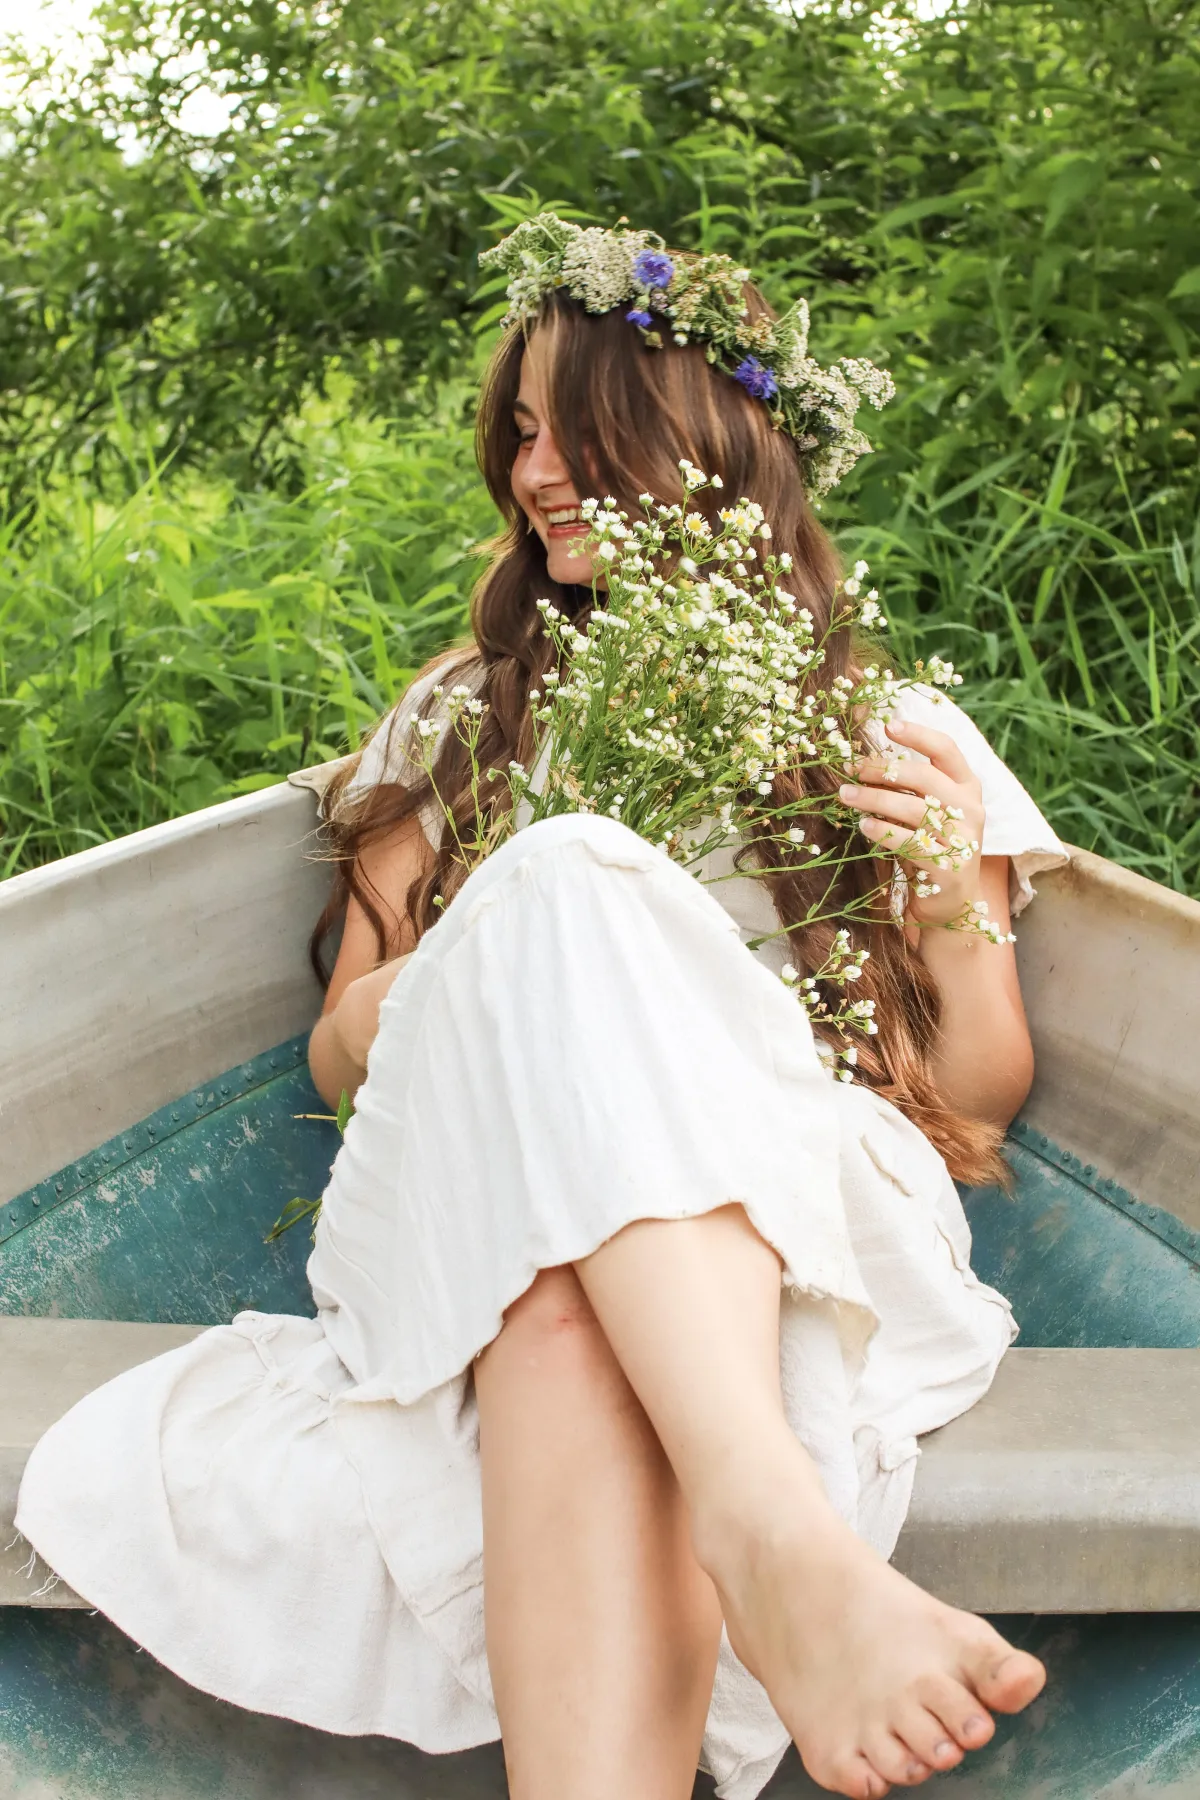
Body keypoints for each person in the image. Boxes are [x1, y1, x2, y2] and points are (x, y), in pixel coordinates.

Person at [17, 217, 1067, 1800]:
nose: (540, 469)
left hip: (813, 1228)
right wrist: (488, 978)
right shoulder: (463, 714)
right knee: (573, 880)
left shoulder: (897, 730)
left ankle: (753, 1527)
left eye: (586, 426)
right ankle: (773, 1536)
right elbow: (340, 1049)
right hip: (470, 1191)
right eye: (520, 431)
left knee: (565, 1309)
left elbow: (971, 1101)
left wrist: (941, 906)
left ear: (711, 446)